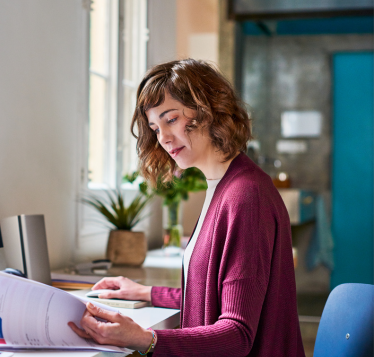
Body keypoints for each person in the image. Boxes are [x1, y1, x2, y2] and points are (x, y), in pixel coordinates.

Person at [68, 59, 304, 356]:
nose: (163, 138)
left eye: (171, 119)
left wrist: (144, 339)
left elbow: (238, 334)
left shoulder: (246, 196)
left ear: (208, 108)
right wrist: (145, 293)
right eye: (155, 128)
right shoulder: (223, 185)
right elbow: (216, 296)